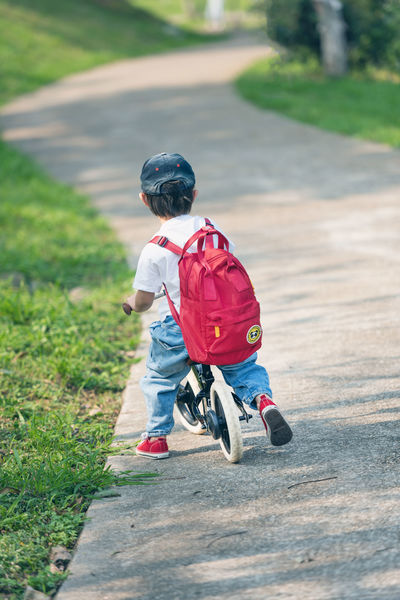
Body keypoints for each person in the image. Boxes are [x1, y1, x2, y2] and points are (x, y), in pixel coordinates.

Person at [125, 152, 292, 459]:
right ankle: (264, 401)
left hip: (180, 329)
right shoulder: (211, 229)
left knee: (159, 378)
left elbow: (145, 300)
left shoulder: (154, 249)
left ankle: (156, 438)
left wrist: (130, 304)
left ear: (144, 200)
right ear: (194, 195)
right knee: (243, 366)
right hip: (224, 321)